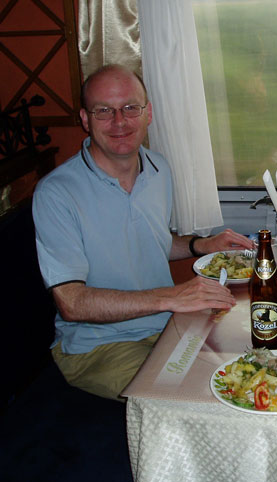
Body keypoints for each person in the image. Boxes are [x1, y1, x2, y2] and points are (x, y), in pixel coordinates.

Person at [32, 64, 255, 401]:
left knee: (251, 364)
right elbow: (72, 303)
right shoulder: (56, 193)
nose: (119, 122)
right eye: (104, 111)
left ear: (148, 113)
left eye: (130, 108)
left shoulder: (157, 168)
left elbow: (151, 242)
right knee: (202, 399)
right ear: (84, 119)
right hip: (100, 346)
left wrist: (200, 245)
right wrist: (170, 297)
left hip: (167, 327)